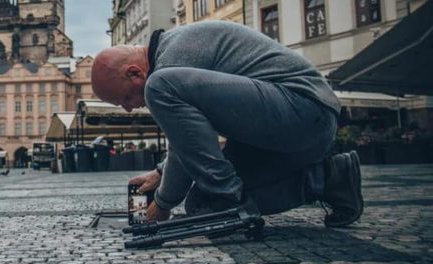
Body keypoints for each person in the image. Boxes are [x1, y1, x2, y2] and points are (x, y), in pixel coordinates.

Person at [91, 21, 363, 227]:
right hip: (285, 133)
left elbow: (184, 137)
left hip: (304, 109)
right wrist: (162, 174)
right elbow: (187, 137)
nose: (129, 107)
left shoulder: (172, 58)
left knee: (159, 87)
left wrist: (162, 204)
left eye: (125, 97)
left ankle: (232, 200)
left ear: (135, 72)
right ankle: (330, 179)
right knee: (204, 205)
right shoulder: (171, 60)